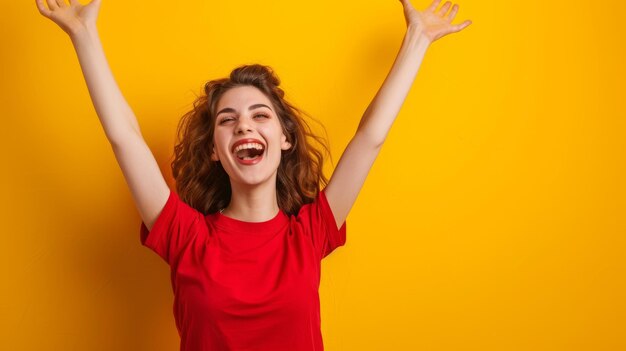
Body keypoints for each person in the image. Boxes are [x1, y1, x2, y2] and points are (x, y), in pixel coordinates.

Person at [36, 0, 471, 349]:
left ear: (284, 139)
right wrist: (84, 34)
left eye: (259, 115)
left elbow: (370, 137)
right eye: (228, 119)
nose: (244, 125)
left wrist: (418, 37)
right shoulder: (185, 237)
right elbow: (124, 139)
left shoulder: (311, 231)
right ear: (213, 151)